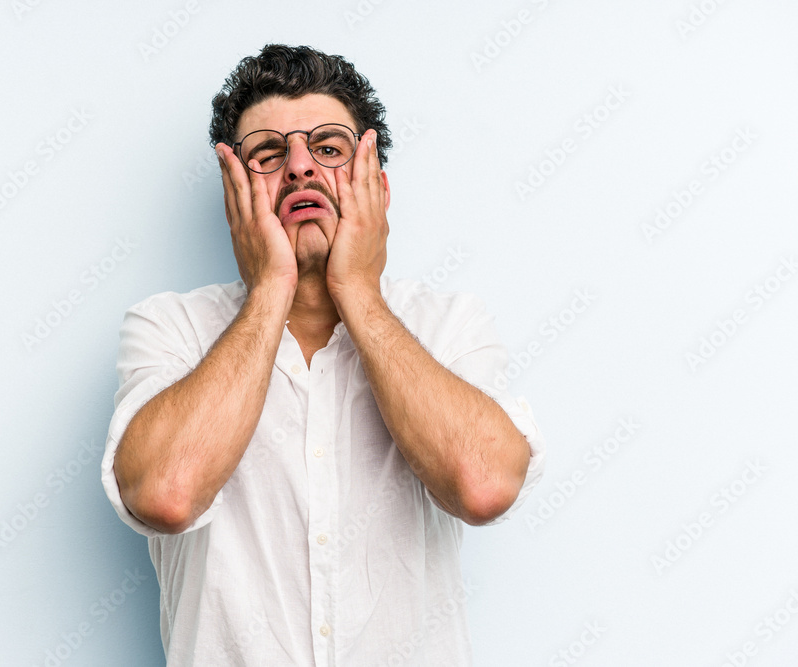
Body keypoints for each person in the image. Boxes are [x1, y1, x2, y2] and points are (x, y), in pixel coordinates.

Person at [101, 43, 546, 666]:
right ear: (234, 191)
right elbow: (167, 495)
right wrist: (270, 291)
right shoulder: (169, 327)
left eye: (330, 149)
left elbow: (484, 485)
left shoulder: (448, 325)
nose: (301, 169)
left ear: (377, 188)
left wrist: (357, 290)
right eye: (268, 154)